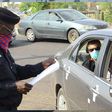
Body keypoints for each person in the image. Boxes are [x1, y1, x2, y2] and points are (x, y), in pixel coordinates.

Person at [0, 7, 55, 111]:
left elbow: (14, 70)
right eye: (9, 30)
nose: (11, 35)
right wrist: (13, 86)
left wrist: (41, 66)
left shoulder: (2, 49)